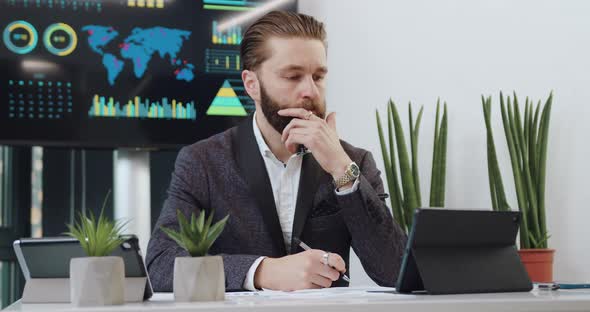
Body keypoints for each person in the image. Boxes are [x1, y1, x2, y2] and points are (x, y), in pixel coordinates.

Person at [146, 10, 406, 292]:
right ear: (251, 84)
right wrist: (262, 271)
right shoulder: (203, 162)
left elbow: (395, 270)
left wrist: (342, 171)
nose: (311, 91)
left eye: (318, 76)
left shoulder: (353, 162)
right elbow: (161, 264)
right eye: (293, 76)